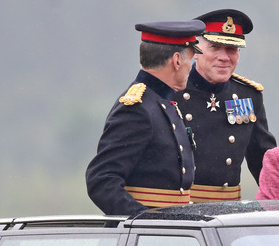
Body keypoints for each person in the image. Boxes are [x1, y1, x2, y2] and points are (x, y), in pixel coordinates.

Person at [86, 21, 203, 216]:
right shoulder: (136, 109)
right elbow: (101, 180)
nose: (190, 68)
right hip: (145, 238)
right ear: (176, 60)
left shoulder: (161, 102)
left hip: (170, 232)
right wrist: (144, 221)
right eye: (190, 59)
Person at [174, 9, 277, 202]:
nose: (224, 57)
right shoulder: (173, 91)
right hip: (180, 211)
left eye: (231, 50)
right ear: (195, 51)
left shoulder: (247, 96)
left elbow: (264, 163)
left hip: (227, 212)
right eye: (215, 47)